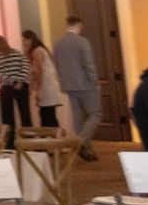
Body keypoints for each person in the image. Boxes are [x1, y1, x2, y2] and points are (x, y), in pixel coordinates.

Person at [53, 16, 101, 161]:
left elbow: (57, 65)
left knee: (77, 117)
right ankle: (80, 142)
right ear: (79, 25)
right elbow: (88, 64)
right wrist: (95, 82)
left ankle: (87, 150)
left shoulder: (58, 43)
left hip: (68, 85)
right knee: (96, 114)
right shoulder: (82, 42)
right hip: (85, 84)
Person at [0, 35, 32, 146]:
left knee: (7, 116)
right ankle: (30, 142)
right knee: (25, 115)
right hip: (22, 85)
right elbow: (26, 66)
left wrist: (12, 82)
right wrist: (20, 80)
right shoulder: (17, 53)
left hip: (6, 87)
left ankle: (10, 143)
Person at [22, 29, 63, 129]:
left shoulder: (37, 51)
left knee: (47, 115)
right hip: (47, 85)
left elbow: (38, 71)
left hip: (46, 86)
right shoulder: (39, 50)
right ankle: (53, 139)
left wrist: (38, 89)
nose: (23, 43)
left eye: (24, 41)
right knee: (48, 114)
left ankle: (50, 140)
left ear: (30, 40)